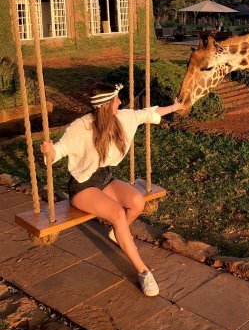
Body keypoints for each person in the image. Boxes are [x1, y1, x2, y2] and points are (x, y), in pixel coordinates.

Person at [40, 82, 185, 297]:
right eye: (116, 99)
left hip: (105, 178)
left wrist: (174, 108)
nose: (120, 101)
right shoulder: (81, 127)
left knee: (137, 202)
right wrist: (49, 151)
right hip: (83, 186)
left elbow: (146, 114)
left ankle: (119, 233)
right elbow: (59, 151)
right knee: (117, 213)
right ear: (106, 104)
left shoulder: (123, 118)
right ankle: (143, 271)